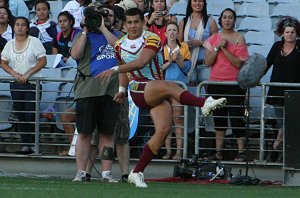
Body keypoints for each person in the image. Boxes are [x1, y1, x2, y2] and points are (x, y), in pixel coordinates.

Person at [98, 7, 226, 188]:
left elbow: (142, 61)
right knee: (171, 86)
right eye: (130, 22)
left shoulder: (153, 38)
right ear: (125, 25)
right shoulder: (119, 45)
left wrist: (115, 71)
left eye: (136, 22)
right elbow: (123, 69)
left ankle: (137, 172)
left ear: (143, 23)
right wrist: (121, 88)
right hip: (138, 89)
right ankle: (204, 103)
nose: (133, 26)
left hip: (155, 89)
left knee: (164, 129)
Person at [70, 4, 127, 182]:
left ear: (115, 19)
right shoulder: (83, 35)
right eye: (101, 15)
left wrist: (102, 28)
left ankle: (106, 174)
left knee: (107, 133)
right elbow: (75, 54)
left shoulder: (119, 36)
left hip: (110, 90)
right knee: (84, 132)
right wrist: (86, 30)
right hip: (87, 89)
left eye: (108, 15)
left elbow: (120, 49)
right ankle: (80, 173)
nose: (105, 18)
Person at [203, 8, 248, 162]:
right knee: (219, 118)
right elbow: (208, 62)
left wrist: (225, 48)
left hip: (234, 84)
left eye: (230, 17)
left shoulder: (239, 38)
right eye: (224, 17)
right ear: (220, 20)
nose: (227, 20)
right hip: (216, 83)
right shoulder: (213, 38)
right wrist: (217, 47)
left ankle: (241, 152)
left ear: (234, 20)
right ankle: (218, 152)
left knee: (237, 118)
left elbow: (238, 63)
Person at [0, 16, 47, 154]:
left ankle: (34, 145)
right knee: (21, 115)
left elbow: (42, 61)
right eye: (17, 25)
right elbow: (3, 62)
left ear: (27, 28)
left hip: (32, 84)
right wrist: (15, 74)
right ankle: (25, 145)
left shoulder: (35, 41)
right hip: (15, 84)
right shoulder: (9, 44)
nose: (20, 27)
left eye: (23, 25)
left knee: (30, 115)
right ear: (13, 27)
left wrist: (27, 74)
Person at [265, 16, 300, 151]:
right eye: (287, 32)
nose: (290, 34)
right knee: (282, 122)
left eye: (293, 32)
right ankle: (280, 149)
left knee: (291, 122)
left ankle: (277, 146)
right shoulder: (276, 46)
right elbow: (266, 65)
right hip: (277, 92)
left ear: (297, 33)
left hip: (295, 92)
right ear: (282, 33)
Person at [161, 21, 191, 160]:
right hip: (163, 87)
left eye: (174, 30)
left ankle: (179, 151)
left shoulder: (184, 47)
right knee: (166, 120)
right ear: (165, 33)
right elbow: (158, 68)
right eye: (170, 30)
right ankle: (168, 151)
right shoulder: (160, 49)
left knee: (178, 119)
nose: (172, 32)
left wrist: (178, 60)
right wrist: (170, 61)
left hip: (178, 87)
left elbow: (187, 69)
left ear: (178, 33)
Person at [178, 0, 218, 86]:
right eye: (194, 1)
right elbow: (178, 43)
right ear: (190, 3)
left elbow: (217, 45)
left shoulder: (210, 21)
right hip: (188, 63)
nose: (197, 3)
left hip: (205, 65)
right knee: (190, 95)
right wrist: (185, 44)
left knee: (208, 95)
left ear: (204, 3)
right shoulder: (183, 22)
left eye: (200, 1)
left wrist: (201, 43)